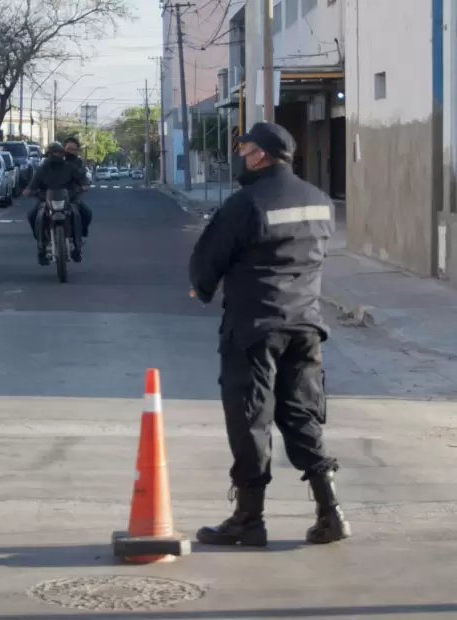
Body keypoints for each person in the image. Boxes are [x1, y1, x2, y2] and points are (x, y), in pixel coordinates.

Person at [188, 121, 351, 548]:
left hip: (255, 327)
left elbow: (209, 255)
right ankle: (330, 509)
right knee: (301, 414)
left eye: (246, 150)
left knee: (250, 418)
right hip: (305, 324)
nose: (242, 156)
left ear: (262, 155)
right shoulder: (319, 200)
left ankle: (249, 517)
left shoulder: (247, 203)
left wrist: (202, 288)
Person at [24, 141, 89, 264]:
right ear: (49, 154)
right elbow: (33, 184)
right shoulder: (42, 169)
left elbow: (81, 178)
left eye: (59, 153)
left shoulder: (70, 167)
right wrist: (28, 190)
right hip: (45, 200)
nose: (57, 155)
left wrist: (84, 185)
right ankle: (41, 246)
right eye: (54, 153)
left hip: (68, 199)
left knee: (84, 213)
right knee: (33, 216)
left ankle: (78, 244)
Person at [63, 136, 94, 239]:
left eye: (73, 150)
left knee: (87, 214)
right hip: (53, 195)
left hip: (71, 196)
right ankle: (42, 241)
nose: (71, 152)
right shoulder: (55, 160)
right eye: (68, 149)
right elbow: (42, 175)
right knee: (35, 214)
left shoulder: (79, 163)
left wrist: (84, 185)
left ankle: (80, 235)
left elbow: (83, 177)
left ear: (77, 151)